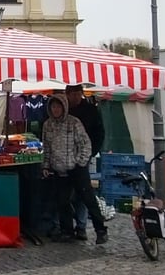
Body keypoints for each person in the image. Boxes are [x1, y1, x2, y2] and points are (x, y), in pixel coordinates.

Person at [41, 93, 108, 245]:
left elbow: (86, 144)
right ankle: (67, 231)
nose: (56, 109)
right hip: (59, 169)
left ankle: (101, 230)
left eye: (58, 106)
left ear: (64, 107)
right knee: (62, 201)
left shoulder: (74, 123)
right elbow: (46, 147)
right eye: (53, 106)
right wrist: (46, 165)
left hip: (77, 168)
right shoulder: (48, 125)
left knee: (88, 199)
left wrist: (80, 162)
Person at [65, 84, 105, 240]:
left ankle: (83, 227)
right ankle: (66, 228)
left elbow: (99, 132)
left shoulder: (90, 110)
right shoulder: (61, 108)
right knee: (65, 195)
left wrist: (90, 153)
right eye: (72, 94)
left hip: (82, 159)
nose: (75, 97)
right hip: (63, 160)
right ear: (67, 94)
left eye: (78, 94)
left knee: (84, 194)